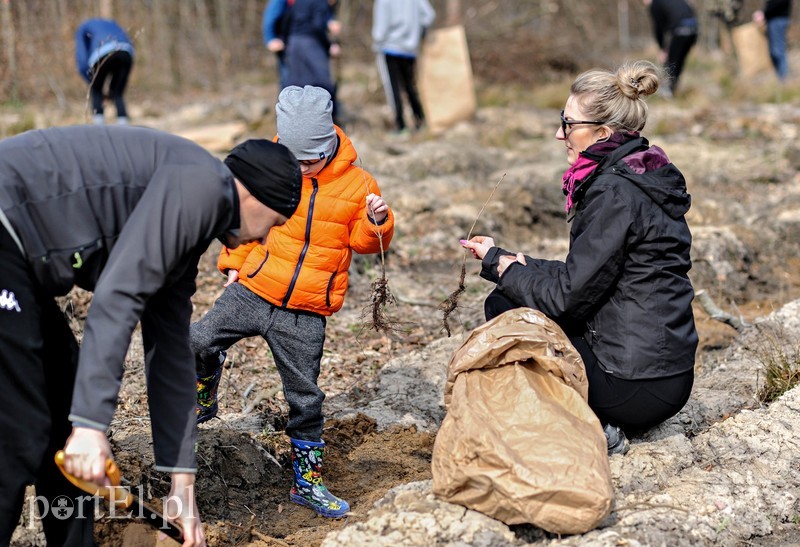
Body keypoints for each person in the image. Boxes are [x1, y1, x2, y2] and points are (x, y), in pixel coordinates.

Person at [0, 125, 302, 546]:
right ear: (255, 196)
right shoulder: (199, 189)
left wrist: (182, 485)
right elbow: (116, 297)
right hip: (6, 229)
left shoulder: (192, 213)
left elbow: (170, 353)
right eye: (275, 222)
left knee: (63, 409)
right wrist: (90, 427)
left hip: (19, 257)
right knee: (20, 429)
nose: (266, 236)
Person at [461, 60, 698, 456]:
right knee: (518, 286)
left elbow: (568, 299)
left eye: (568, 124)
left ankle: (591, 425)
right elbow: (598, 276)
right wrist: (513, 261)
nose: (559, 134)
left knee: (504, 303)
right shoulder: (641, 177)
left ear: (603, 133)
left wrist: (502, 268)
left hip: (634, 386)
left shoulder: (612, 193)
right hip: (668, 377)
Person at [191, 85, 394, 518]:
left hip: (305, 311)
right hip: (254, 287)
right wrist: (232, 265)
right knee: (197, 340)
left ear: (328, 145)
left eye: (309, 161)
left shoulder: (359, 184)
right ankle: (204, 394)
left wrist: (378, 221)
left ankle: (307, 482)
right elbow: (245, 220)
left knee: (305, 398)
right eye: (294, 160)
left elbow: (364, 243)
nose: (300, 169)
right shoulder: (274, 167)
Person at [372, 0, 436, 134]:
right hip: (411, 50)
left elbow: (380, 30)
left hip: (390, 48)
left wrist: (377, 41)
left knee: (393, 89)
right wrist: (418, 33)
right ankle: (420, 121)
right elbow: (429, 15)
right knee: (410, 86)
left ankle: (400, 126)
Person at [280, 0, 343, 121]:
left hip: (294, 44)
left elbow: (287, 20)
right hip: (311, 44)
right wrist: (329, 45)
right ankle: (330, 121)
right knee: (323, 85)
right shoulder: (321, 3)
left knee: (295, 85)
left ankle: (289, 121)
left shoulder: (299, 2)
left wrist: (286, 40)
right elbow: (317, 26)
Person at [75, 18, 136, 125]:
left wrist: (90, 80)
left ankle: (99, 124)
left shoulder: (83, 27)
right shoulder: (113, 23)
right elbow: (128, 39)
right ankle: (123, 123)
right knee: (118, 92)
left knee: (96, 89)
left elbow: (82, 58)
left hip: (102, 53)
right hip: (126, 52)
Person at [642, 0, 698, 97]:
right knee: (679, 61)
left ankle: (668, 90)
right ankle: (673, 88)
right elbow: (689, 10)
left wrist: (662, 49)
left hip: (680, 30)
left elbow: (658, 29)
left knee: (670, 62)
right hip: (693, 29)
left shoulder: (655, 4)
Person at [753, 0, 793, 80]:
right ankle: (781, 77)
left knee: (777, 50)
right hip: (775, 20)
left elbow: (776, 4)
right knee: (775, 51)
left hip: (777, 19)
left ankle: (784, 78)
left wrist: (763, 14)